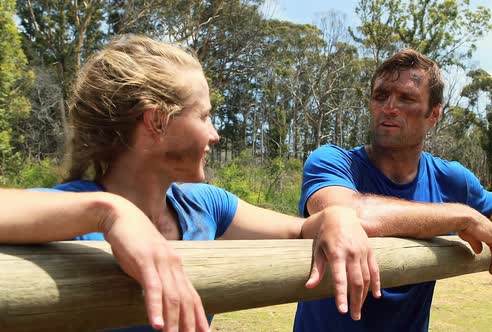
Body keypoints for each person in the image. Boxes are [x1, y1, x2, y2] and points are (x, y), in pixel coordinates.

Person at [0, 35, 382, 332]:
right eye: (204, 116)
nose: (215, 135)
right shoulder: (75, 213)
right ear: (157, 122)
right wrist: (109, 214)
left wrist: (336, 218)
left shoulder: (205, 204)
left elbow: (301, 229)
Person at [295, 48, 492, 331]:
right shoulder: (333, 161)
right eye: (381, 95)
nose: (389, 106)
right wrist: (461, 215)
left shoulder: (449, 179)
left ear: (434, 114)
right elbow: (347, 212)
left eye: (406, 98)